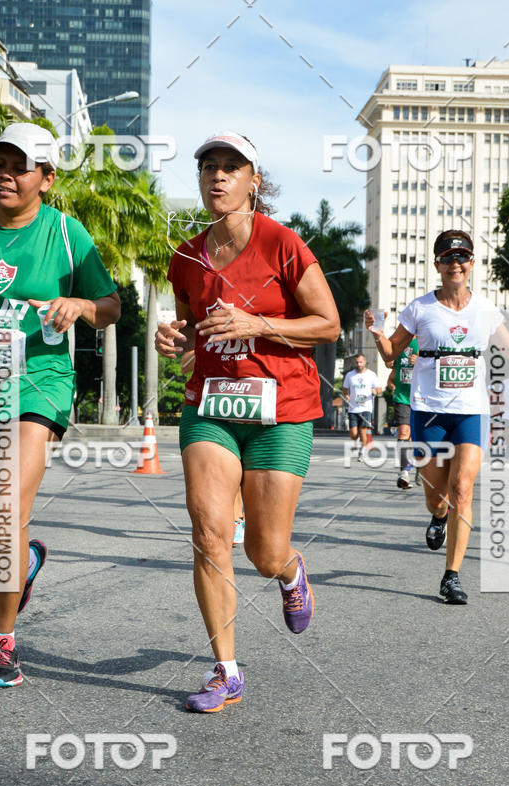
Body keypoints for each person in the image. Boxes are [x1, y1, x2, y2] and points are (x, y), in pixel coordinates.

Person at [156, 131, 339, 712]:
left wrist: (257, 324)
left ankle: (288, 573)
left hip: (279, 410)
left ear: (253, 180)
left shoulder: (283, 244)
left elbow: (328, 324)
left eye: (231, 167)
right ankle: (225, 671)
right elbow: (189, 330)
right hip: (210, 405)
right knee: (210, 535)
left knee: (264, 550)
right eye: (208, 165)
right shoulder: (186, 256)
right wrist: (173, 337)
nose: (218, 175)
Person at [0, 123, 120, 686]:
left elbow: (111, 305)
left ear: (46, 179)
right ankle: (23, 564)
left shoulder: (68, 234)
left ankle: (1, 643)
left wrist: (78, 304)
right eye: (0, 160)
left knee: (2, 511)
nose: (5, 172)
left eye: (21, 165)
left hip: (38, 380)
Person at [366, 229, 509, 604]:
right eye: (447, 258)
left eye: (462, 257)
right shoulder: (420, 308)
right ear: (437, 265)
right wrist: (378, 333)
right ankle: (437, 516)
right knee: (438, 497)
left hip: (471, 411)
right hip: (428, 410)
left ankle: (452, 576)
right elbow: (389, 355)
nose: (455, 264)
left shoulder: (485, 310)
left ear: (472, 264)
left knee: (463, 490)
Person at [182, 348, 245, 546]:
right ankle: (236, 520)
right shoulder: (210, 337)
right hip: (215, 409)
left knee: (268, 555)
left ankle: (240, 518)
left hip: (263, 411)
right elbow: (184, 364)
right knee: (227, 474)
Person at [385, 338, 419, 488]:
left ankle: (422, 466)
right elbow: (390, 368)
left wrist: (420, 361)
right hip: (403, 398)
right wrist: (389, 361)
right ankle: (404, 472)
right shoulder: (398, 341)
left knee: (417, 436)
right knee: (404, 433)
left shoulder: (424, 340)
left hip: (422, 398)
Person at [342, 353, 381, 460]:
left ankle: (362, 451)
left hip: (366, 408)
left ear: (365, 362)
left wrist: (375, 391)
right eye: (357, 362)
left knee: (363, 431)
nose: (359, 364)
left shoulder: (371, 375)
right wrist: (346, 395)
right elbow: (345, 389)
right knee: (354, 434)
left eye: (361, 362)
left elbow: (379, 388)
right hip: (353, 408)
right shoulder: (350, 375)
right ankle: (358, 440)